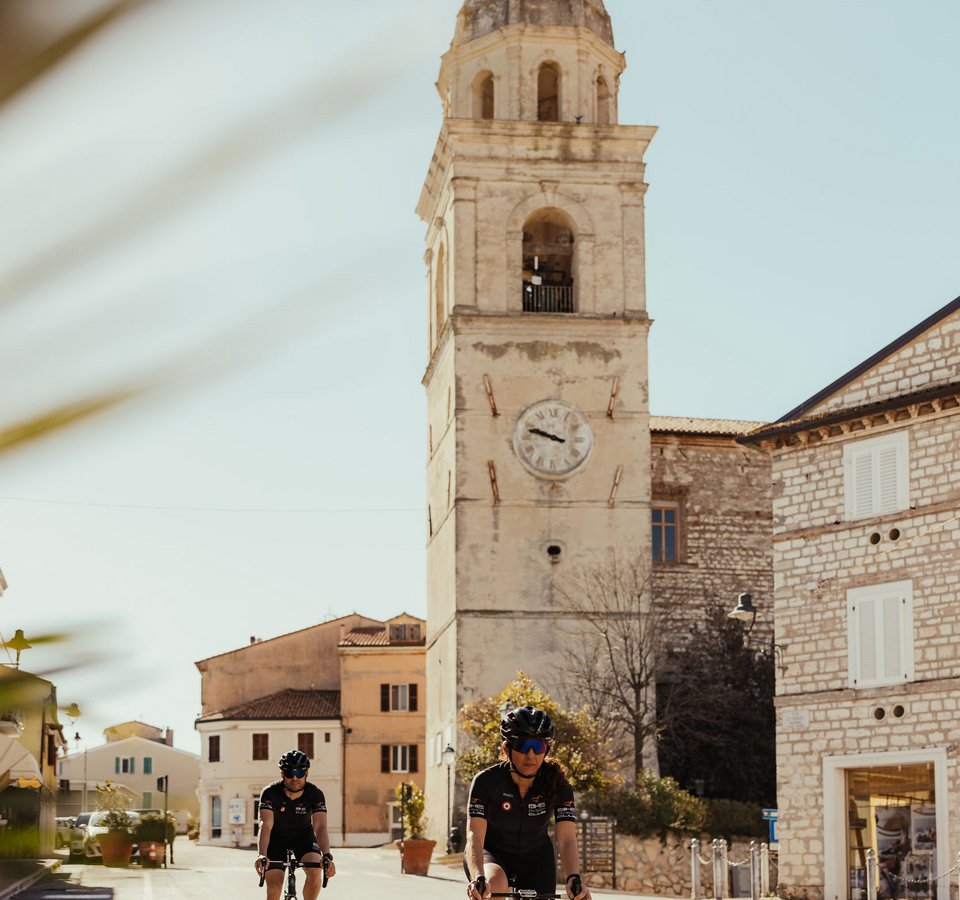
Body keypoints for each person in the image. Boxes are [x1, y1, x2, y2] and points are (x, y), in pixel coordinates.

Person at [464, 705, 590, 900]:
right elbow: (475, 836)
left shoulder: (558, 783)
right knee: (494, 885)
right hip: (492, 853)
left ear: (546, 749)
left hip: (536, 856)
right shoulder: (486, 782)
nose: (531, 755)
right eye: (523, 746)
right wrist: (478, 878)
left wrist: (574, 877)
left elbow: (566, 839)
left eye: (538, 747)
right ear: (507, 748)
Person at [255, 749, 336, 900]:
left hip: (303, 837)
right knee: (274, 888)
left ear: (306, 774)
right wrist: (262, 854)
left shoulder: (315, 794)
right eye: (289, 773)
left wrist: (326, 855)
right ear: (282, 774)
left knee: (315, 874)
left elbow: (320, 827)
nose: (294, 777)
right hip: (276, 839)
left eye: (299, 773)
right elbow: (265, 825)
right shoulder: (270, 793)